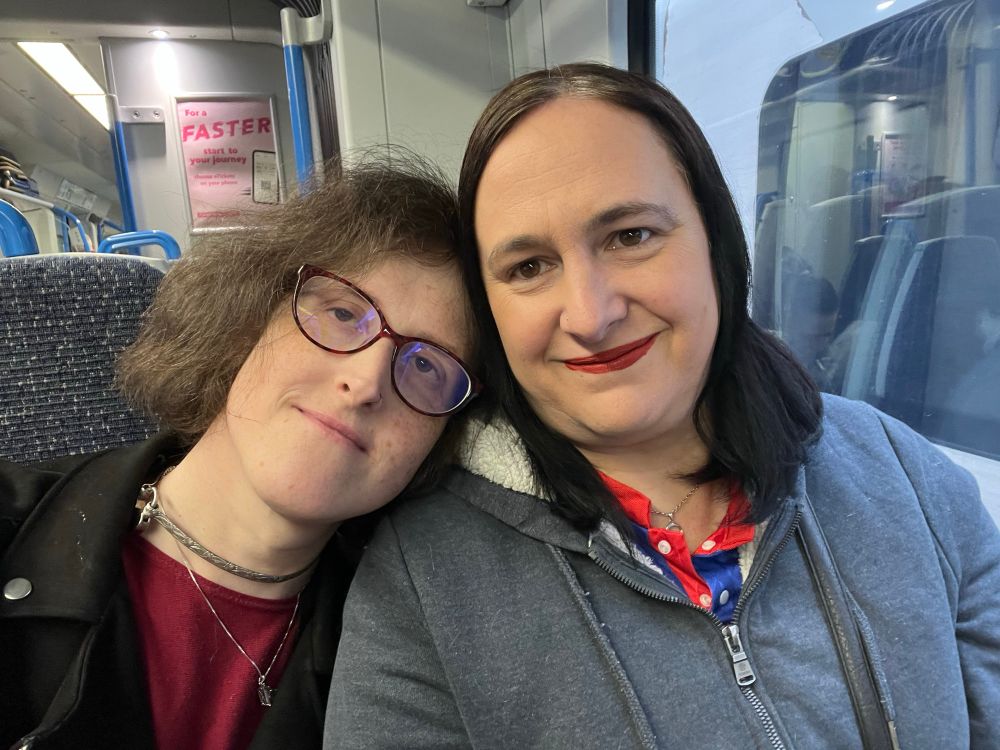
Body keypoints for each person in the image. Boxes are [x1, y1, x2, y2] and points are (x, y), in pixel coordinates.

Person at [325, 64, 1000, 748]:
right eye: (528, 267)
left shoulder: (906, 478)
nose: (590, 315)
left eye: (631, 236)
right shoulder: (422, 585)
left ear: (716, 240)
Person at [0, 153, 480, 750]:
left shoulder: (422, 652)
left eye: (428, 367)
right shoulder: (12, 527)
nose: (365, 383)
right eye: (341, 313)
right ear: (246, 320)